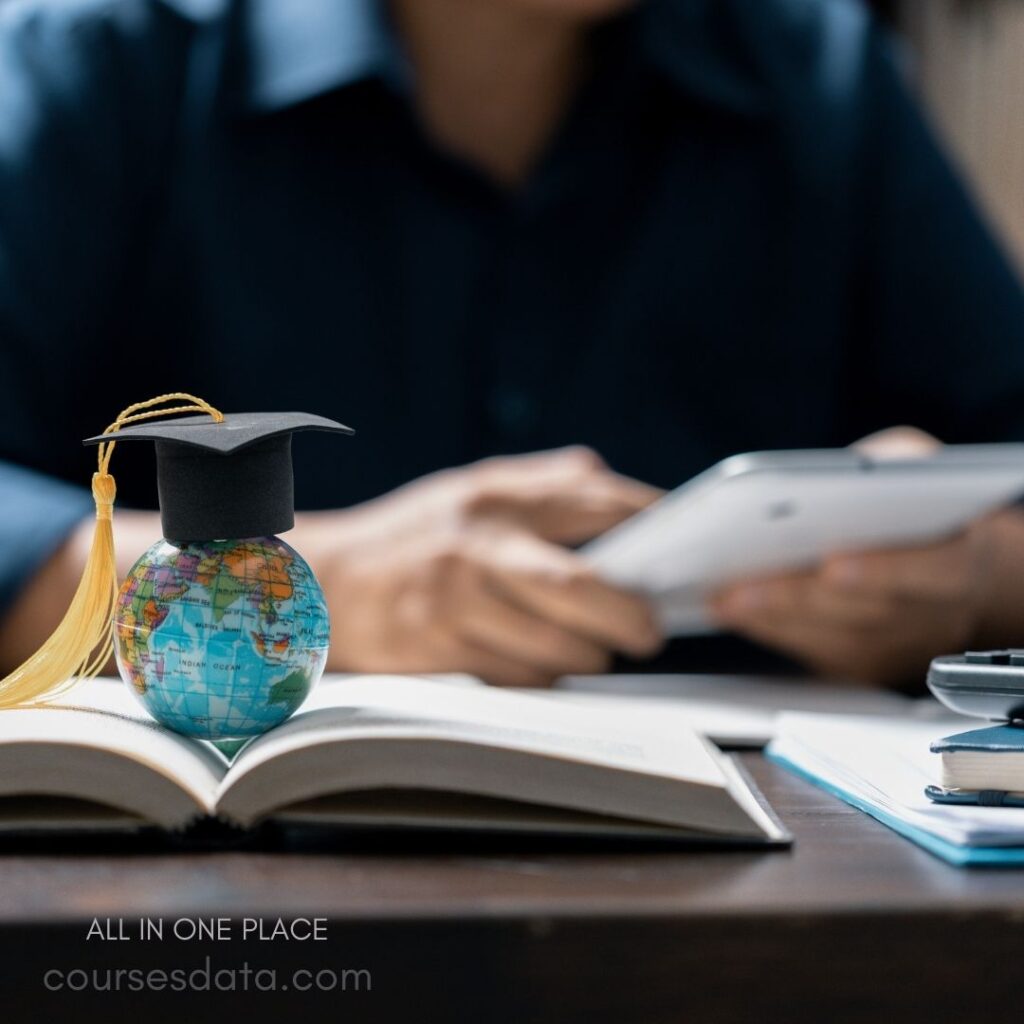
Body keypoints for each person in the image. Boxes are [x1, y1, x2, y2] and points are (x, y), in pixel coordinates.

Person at [0, 0, 1022, 688]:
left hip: (756, 902)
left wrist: (972, 583)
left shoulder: (818, 67)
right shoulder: (100, 55)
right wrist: (301, 590)